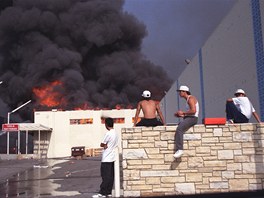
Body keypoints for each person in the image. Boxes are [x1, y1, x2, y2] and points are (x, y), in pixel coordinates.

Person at [92, 117, 119, 198]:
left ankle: (102, 193)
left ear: (106, 125)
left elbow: (102, 144)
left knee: (105, 176)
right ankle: (108, 192)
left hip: (106, 158)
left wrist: (105, 145)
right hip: (112, 157)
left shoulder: (108, 133)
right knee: (110, 176)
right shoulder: (115, 133)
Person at [174, 85, 199, 158]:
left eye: (180, 92)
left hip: (193, 118)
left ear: (184, 92)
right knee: (179, 126)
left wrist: (183, 113)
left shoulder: (190, 98)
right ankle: (179, 148)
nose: (179, 93)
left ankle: (180, 149)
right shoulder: (188, 99)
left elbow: (193, 111)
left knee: (179, 129)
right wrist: (181, 115)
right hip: (189, 117)